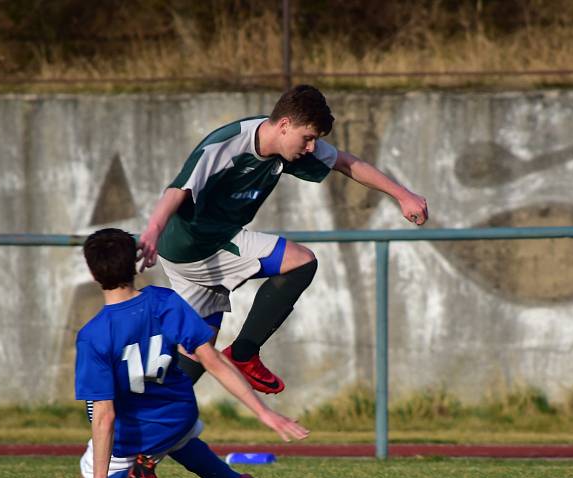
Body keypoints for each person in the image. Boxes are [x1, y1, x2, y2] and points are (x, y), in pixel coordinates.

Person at [137, 84, 428, 394]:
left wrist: (403, 195)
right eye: (309, 138)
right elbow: (177, 189)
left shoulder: (286, 144)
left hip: (197, 259)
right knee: (301, 261)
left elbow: (346, 162)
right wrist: (152, 231)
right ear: (285, 125)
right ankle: (244, 355)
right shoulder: (228, 144)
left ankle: (139, 431)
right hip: (199, 244)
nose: (312, 147)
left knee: (194, 358)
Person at [76, 228, 309, 478]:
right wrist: (263, 412)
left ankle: (130, 477)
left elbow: (104, 414)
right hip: (180, 416)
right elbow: (214, 361)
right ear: (135, 265)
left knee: (89, 474)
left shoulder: (92, 335)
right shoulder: (165, 301)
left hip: (134, 435)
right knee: (180, 439)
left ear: (94, 274)